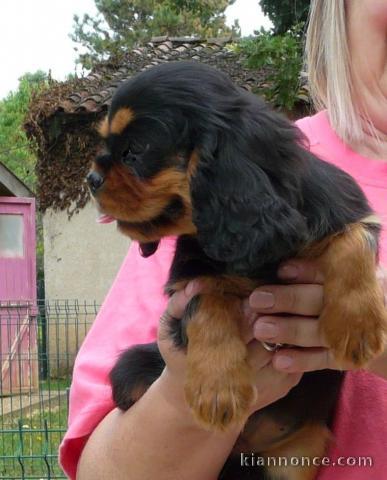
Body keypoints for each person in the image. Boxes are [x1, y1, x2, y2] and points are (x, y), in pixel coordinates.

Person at [61, 1, 387, 478]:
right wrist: (180, 396)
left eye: (134, 153)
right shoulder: (191, 214)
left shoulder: (319, 201)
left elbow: (352, 234)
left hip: (298, 443)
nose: (101, 176)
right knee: (131, 373)